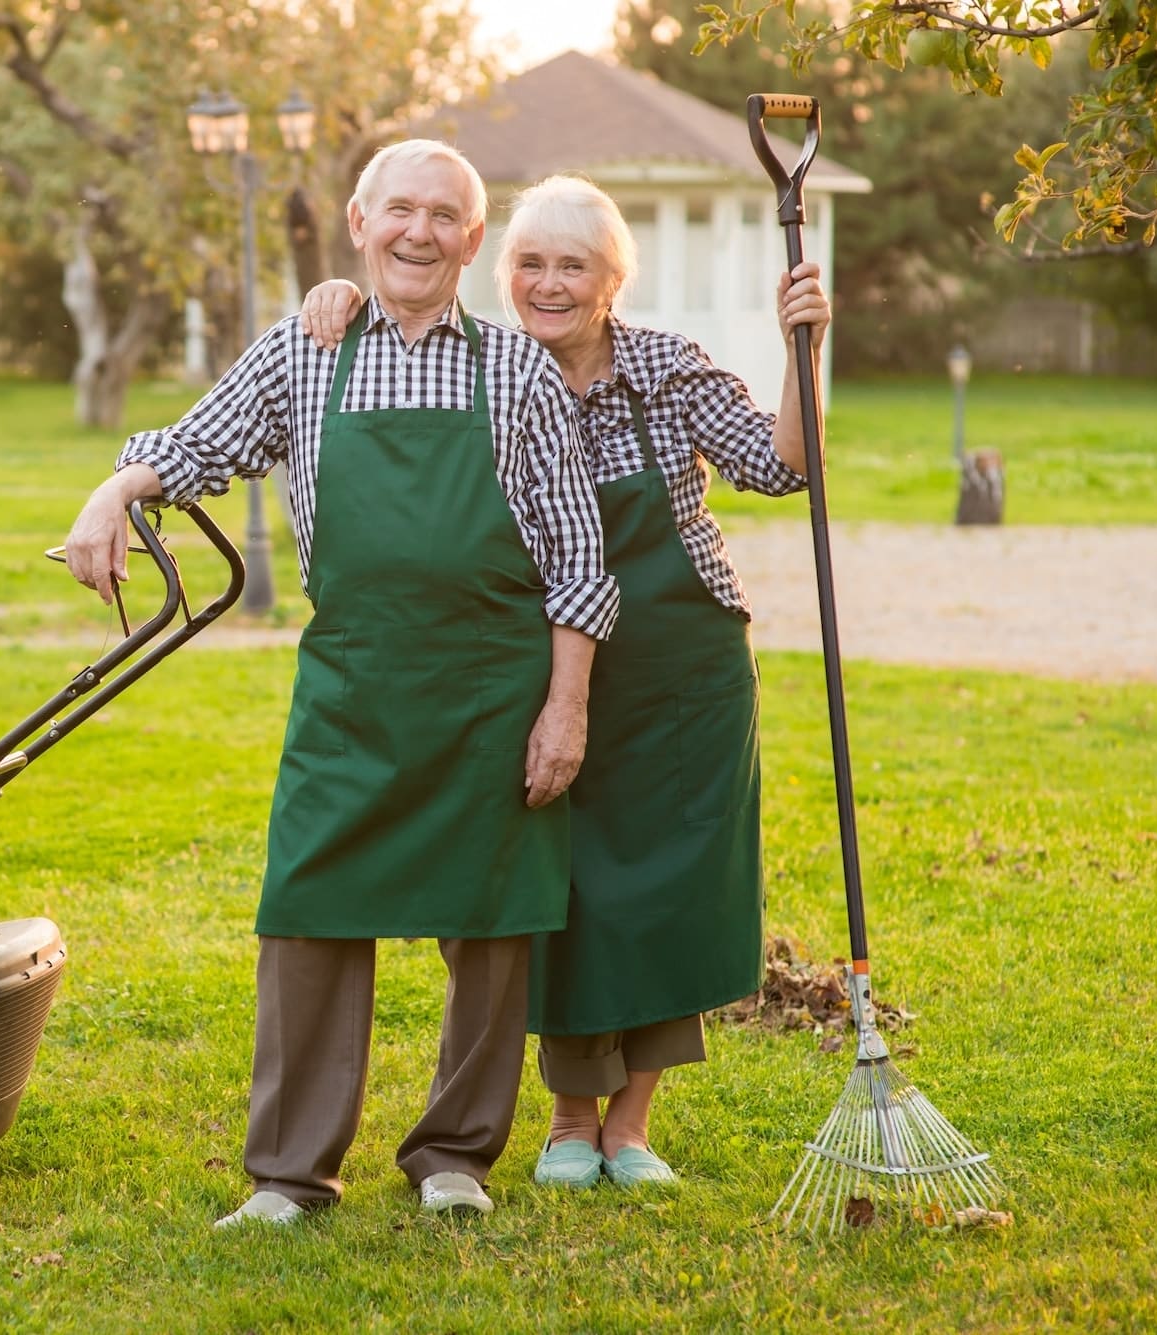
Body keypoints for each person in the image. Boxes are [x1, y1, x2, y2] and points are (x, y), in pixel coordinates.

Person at [64, 142, 619, 1227]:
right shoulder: (303, 350)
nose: (418, 231)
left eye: (442, 215)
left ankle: (454, 1155)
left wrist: (565, 706)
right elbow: (198, 443)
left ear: (471, 240)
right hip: (354, 685)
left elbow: (574, 561)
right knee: (308, 911)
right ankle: (289, 1174)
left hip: (490, 688)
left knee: (494, 925)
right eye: (397, 209)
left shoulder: (516, 373)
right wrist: (112, 491)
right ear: (359, 223)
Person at [300, 172, 831, 1189]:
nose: (549, 283)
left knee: (669, 887)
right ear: (500, 273)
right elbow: (384, 336)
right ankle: (567, 1118)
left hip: (680, 668)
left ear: (610, 280)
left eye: (572, 265)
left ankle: (630, 1123)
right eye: (530, 263)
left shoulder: (667, 371)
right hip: (535, 673)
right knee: (561, 888)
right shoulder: (483, 371)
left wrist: (803, 346)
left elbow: (779, 468)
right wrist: (339, 298)